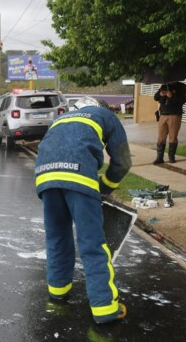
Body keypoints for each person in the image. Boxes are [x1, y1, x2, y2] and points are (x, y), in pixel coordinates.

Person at [34, 102, 132, 324]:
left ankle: (58, 291)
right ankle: (105, 307)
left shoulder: (60, 119)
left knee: (57, 238)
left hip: (45, 177)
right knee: (92, 243)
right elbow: (123, 163)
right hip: (78, 174)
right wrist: (105, 187)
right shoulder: (107, 117)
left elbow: (50, 148)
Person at [153, 80, 186, 164]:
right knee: (161, 137)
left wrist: (171, 96)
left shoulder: (182, 87)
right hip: (163, 114)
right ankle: (159, 157)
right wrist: (160, 94)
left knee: (173, 136)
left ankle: (171, 157)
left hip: (174, 114)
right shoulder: (164, 85)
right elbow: (155, 97)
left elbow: (182, 101)